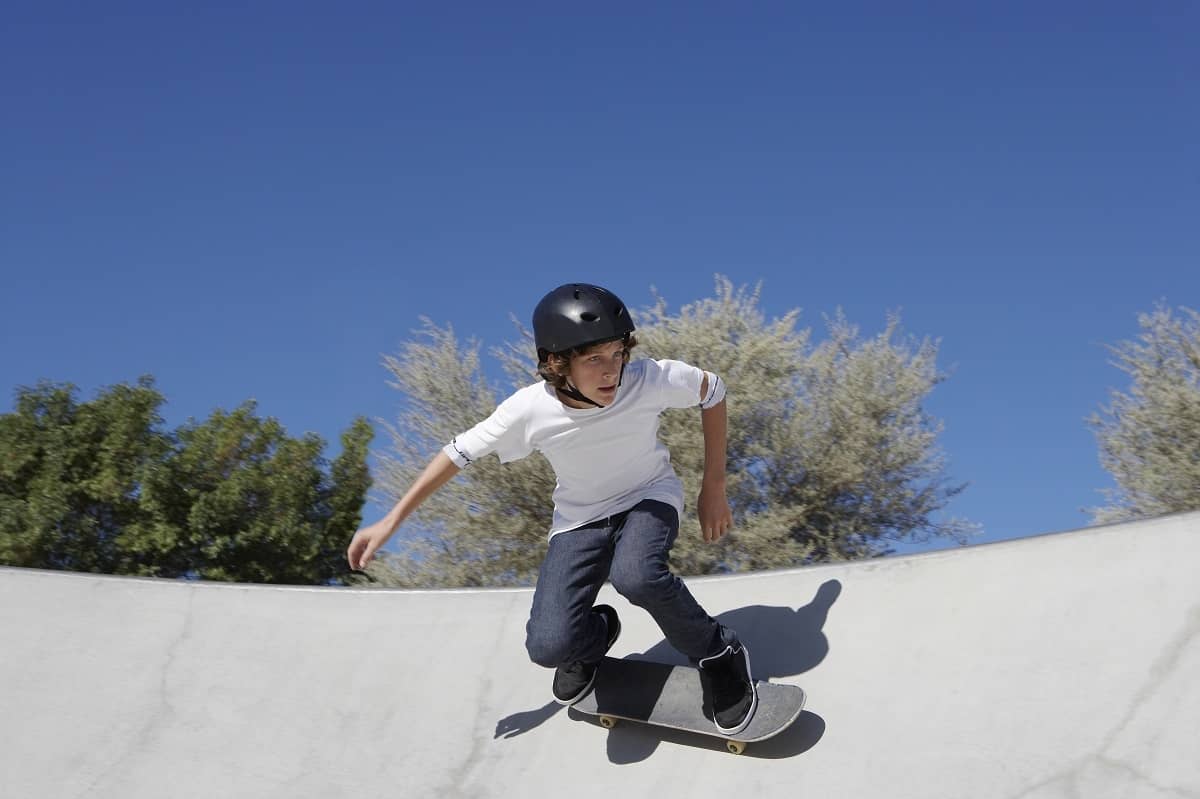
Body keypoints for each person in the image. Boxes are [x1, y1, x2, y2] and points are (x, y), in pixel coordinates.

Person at [347, 283, 757, 734]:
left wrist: (713, 486)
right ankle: (596, 633)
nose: (611, 372)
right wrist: (392, 519)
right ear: (558, 364)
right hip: (579, 520)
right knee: (548, 646)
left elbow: (713, 392)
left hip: (648, 496)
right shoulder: (528, 411)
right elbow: (456, 454)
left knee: (636, 575)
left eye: (617, 354)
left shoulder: (650, 380)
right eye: (593, 360)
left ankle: (719, 654)